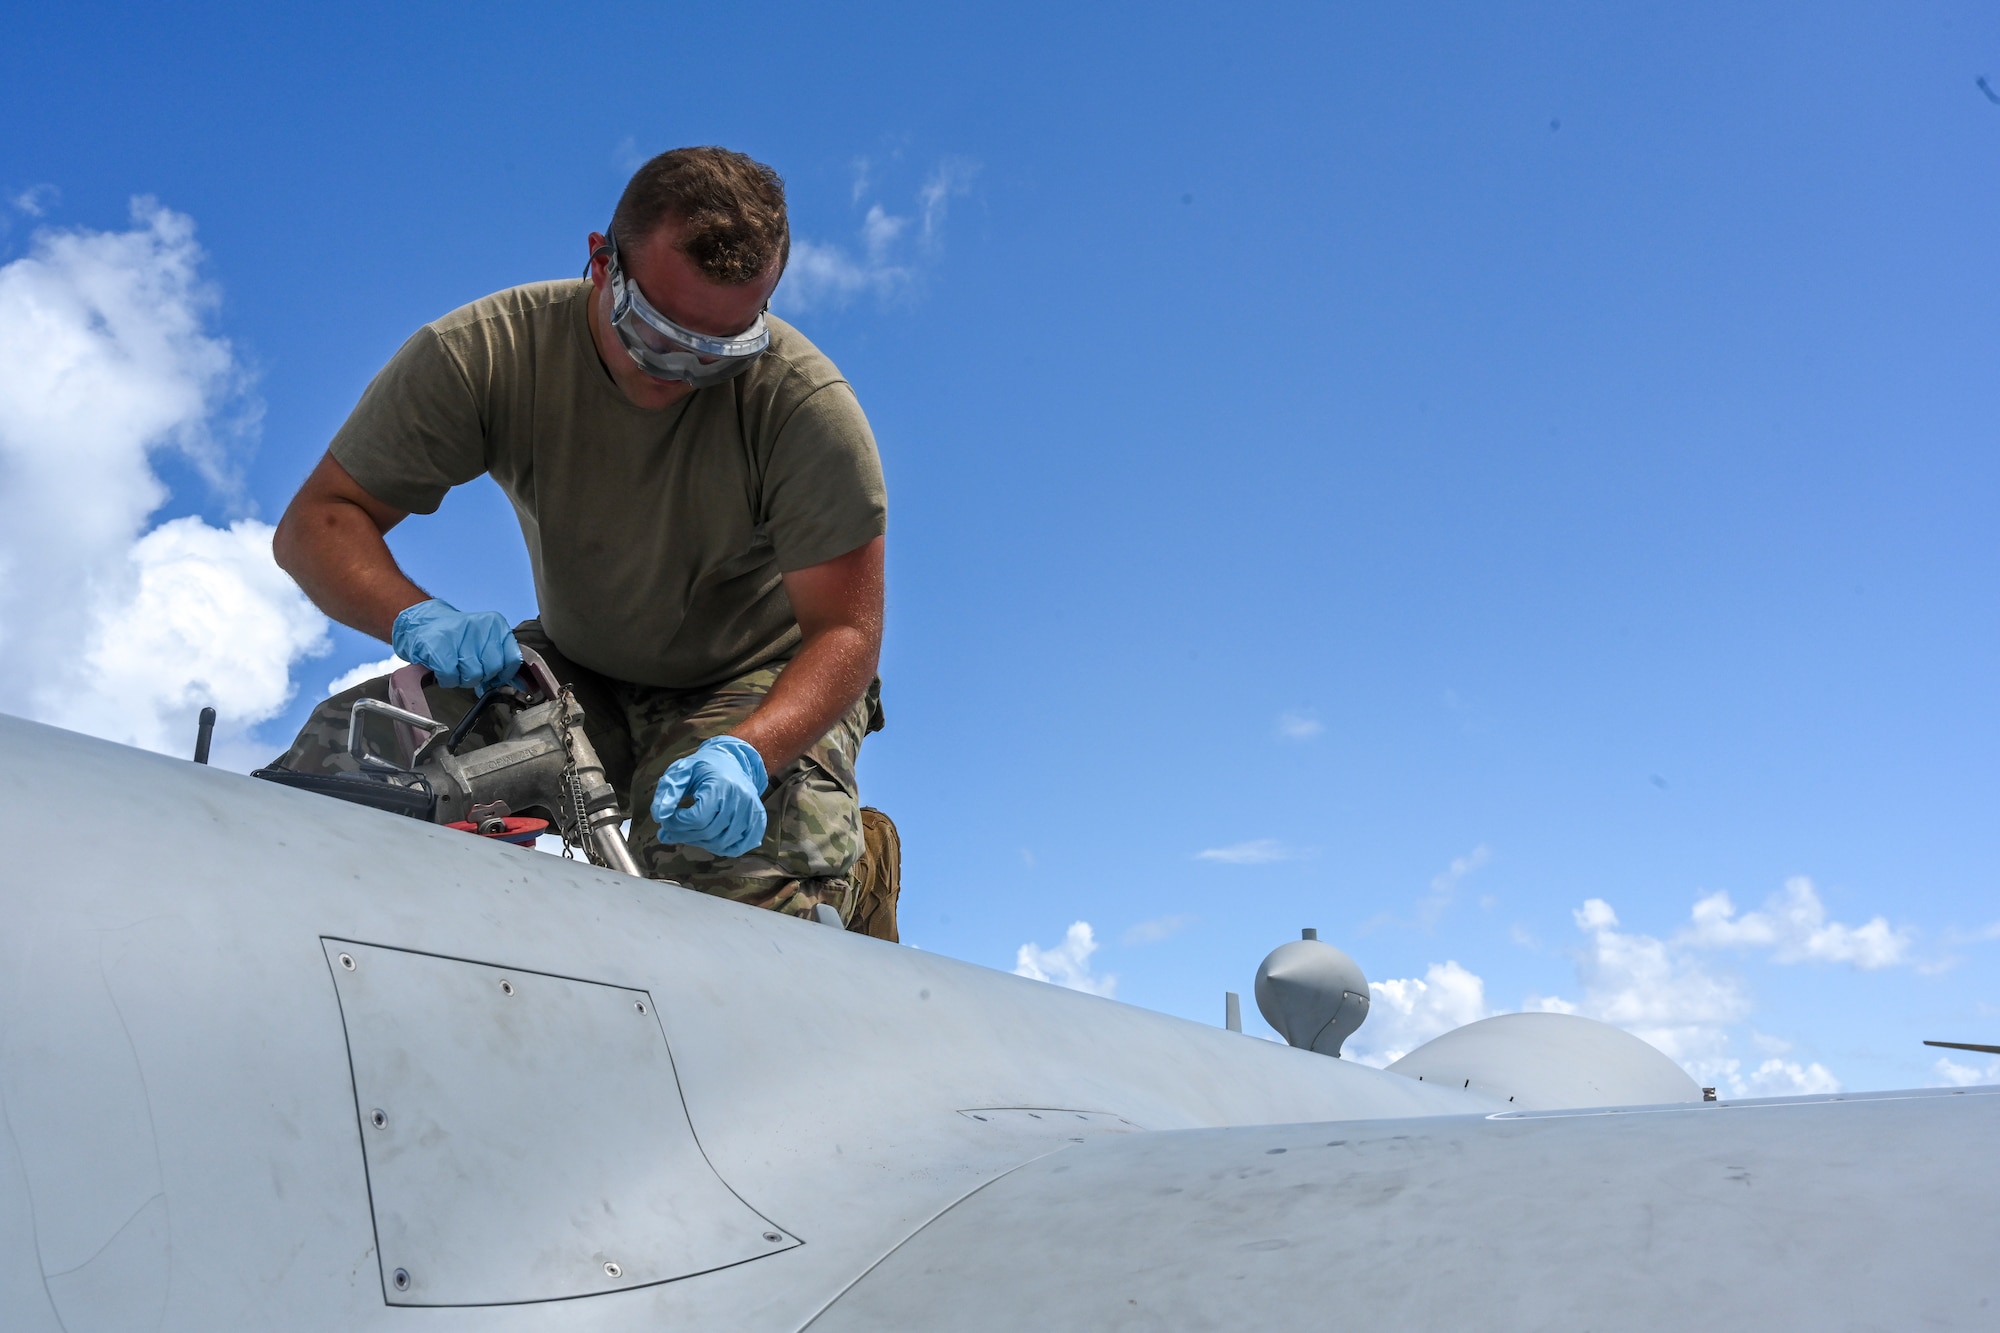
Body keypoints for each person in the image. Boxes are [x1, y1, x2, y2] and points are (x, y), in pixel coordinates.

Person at [270, 147, 892, 929]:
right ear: (601, 263)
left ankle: (840, 871)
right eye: (657, 334)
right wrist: (416, 618)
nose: (680, 373)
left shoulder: (804, 409)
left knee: (725, 891)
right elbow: (319, 523)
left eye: (719, 352)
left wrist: (750, 752)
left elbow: (847, 631)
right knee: (353, 760)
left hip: (750, 677)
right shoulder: (487, 353)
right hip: (577, 663)